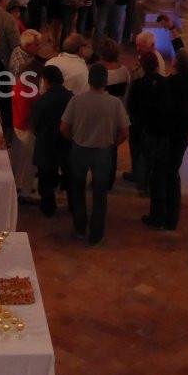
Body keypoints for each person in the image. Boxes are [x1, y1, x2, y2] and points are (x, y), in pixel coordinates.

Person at [60, 63, 130, 245]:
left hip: (79, 150)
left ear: (89, 80)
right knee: (100, 194)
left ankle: (80, 228)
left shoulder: (76, 100)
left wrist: (74, 139)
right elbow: (124, 132)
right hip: (102, 152)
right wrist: (112, 144)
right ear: (106, 81)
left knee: (77, 189)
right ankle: (96, 234)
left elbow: (64, 127)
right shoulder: (114, 103)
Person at [127, 52, 172, 227]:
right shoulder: (166, 83)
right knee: (159, 171)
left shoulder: (138, 85)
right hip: (162, 133)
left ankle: (143, 186)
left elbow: (131, 107)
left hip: (145, 131)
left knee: (144, 161)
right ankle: (155, 202)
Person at [160, 48, 188, 229]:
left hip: (171, 132)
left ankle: (168, 217)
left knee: (168, 173)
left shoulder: (171, 84)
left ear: (176, 64)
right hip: (183, 132)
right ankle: (171, 215)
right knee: (172, 173)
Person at [32, 65, 73, 216]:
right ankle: (74, 205)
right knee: (70, 175)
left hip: (47, 144)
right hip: (66, 143)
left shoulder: (42, 101)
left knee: (45, 179)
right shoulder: (71, 97)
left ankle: (48, 208)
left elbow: (35, 125)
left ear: (46, 81)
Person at [9, 29, 44, 202]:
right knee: (27, 161)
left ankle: (18, 184)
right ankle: (25, 191)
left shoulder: (20, 85)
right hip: (25, 128)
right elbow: (25, 114)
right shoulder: (25, 90)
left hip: (19, 125)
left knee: (19, 158)